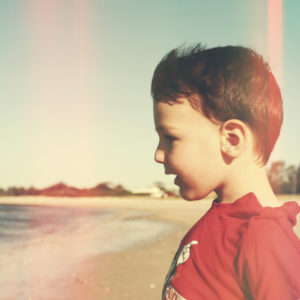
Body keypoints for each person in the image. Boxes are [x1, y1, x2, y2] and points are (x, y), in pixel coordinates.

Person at [151, 44, 300, 300]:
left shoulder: (263, 238)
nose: (158, 154)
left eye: (170, 138)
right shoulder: (223, 220)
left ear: (231, 140)